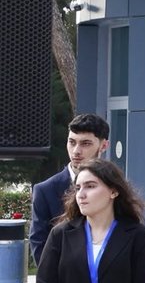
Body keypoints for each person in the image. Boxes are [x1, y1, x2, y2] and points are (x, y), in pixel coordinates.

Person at [29, 113, 110, 265]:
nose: (76, 151)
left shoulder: (113, 188)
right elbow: (40, 248)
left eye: (85, 144)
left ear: (104, 146)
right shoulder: (45, 191)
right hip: (63, 277)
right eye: (72, 142)